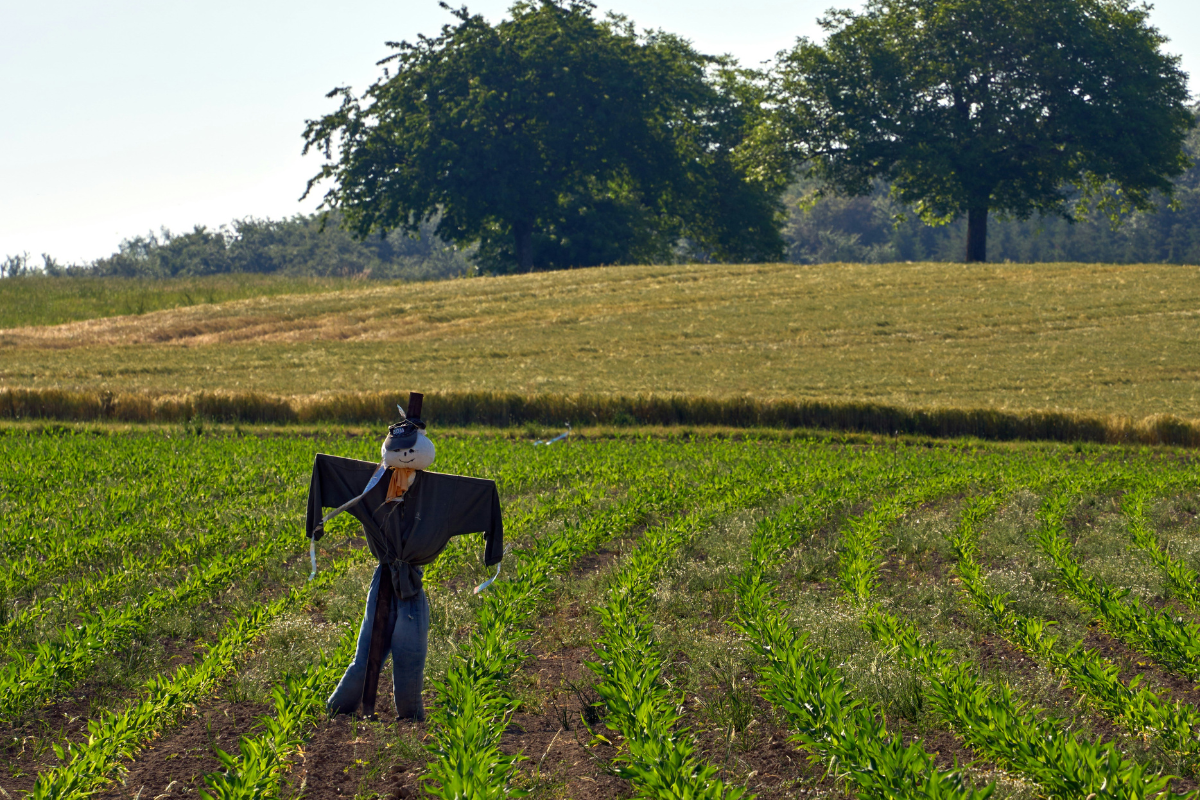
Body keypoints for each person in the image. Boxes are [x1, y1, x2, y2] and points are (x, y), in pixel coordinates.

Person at [304, 392, 503, 719]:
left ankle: (408, 716)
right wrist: (316, 526)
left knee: (410, 653)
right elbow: (327, 470)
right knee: (367, 652)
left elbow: (484, 496)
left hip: (409, 584)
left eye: (413, 449)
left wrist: (492, 551)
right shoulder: (373, 484)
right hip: (385, 581)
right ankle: (339, 710)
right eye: (401, 450)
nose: (407, 456)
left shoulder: (439, 491)